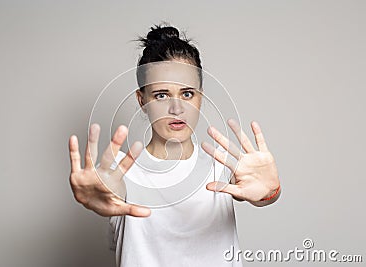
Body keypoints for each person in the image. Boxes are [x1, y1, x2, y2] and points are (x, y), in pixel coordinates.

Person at [68, 23, 281, 267]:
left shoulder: (222, 164)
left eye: (187, 94)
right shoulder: (119, 170)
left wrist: (270, 191)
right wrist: (101, 194)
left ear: (201, 97)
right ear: (142, 100)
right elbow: (111, 191)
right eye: (161, 95)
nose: (177, 108)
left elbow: (261, 195)